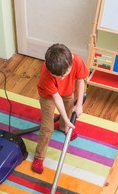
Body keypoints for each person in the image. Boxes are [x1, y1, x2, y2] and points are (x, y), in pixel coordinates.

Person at [32, 43, 89, 174]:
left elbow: (80, 81)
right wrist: (65, 118)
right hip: (48, 96)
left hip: (68, 92)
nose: (63, 78)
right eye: (59, 76)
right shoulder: (46, 73)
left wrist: (79, 104)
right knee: (47, 127)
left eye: (66, 74)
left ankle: (64, 127)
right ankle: (39, 157)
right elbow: (56, 98)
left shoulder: (77, 61)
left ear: (71, 62)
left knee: (69, 110)